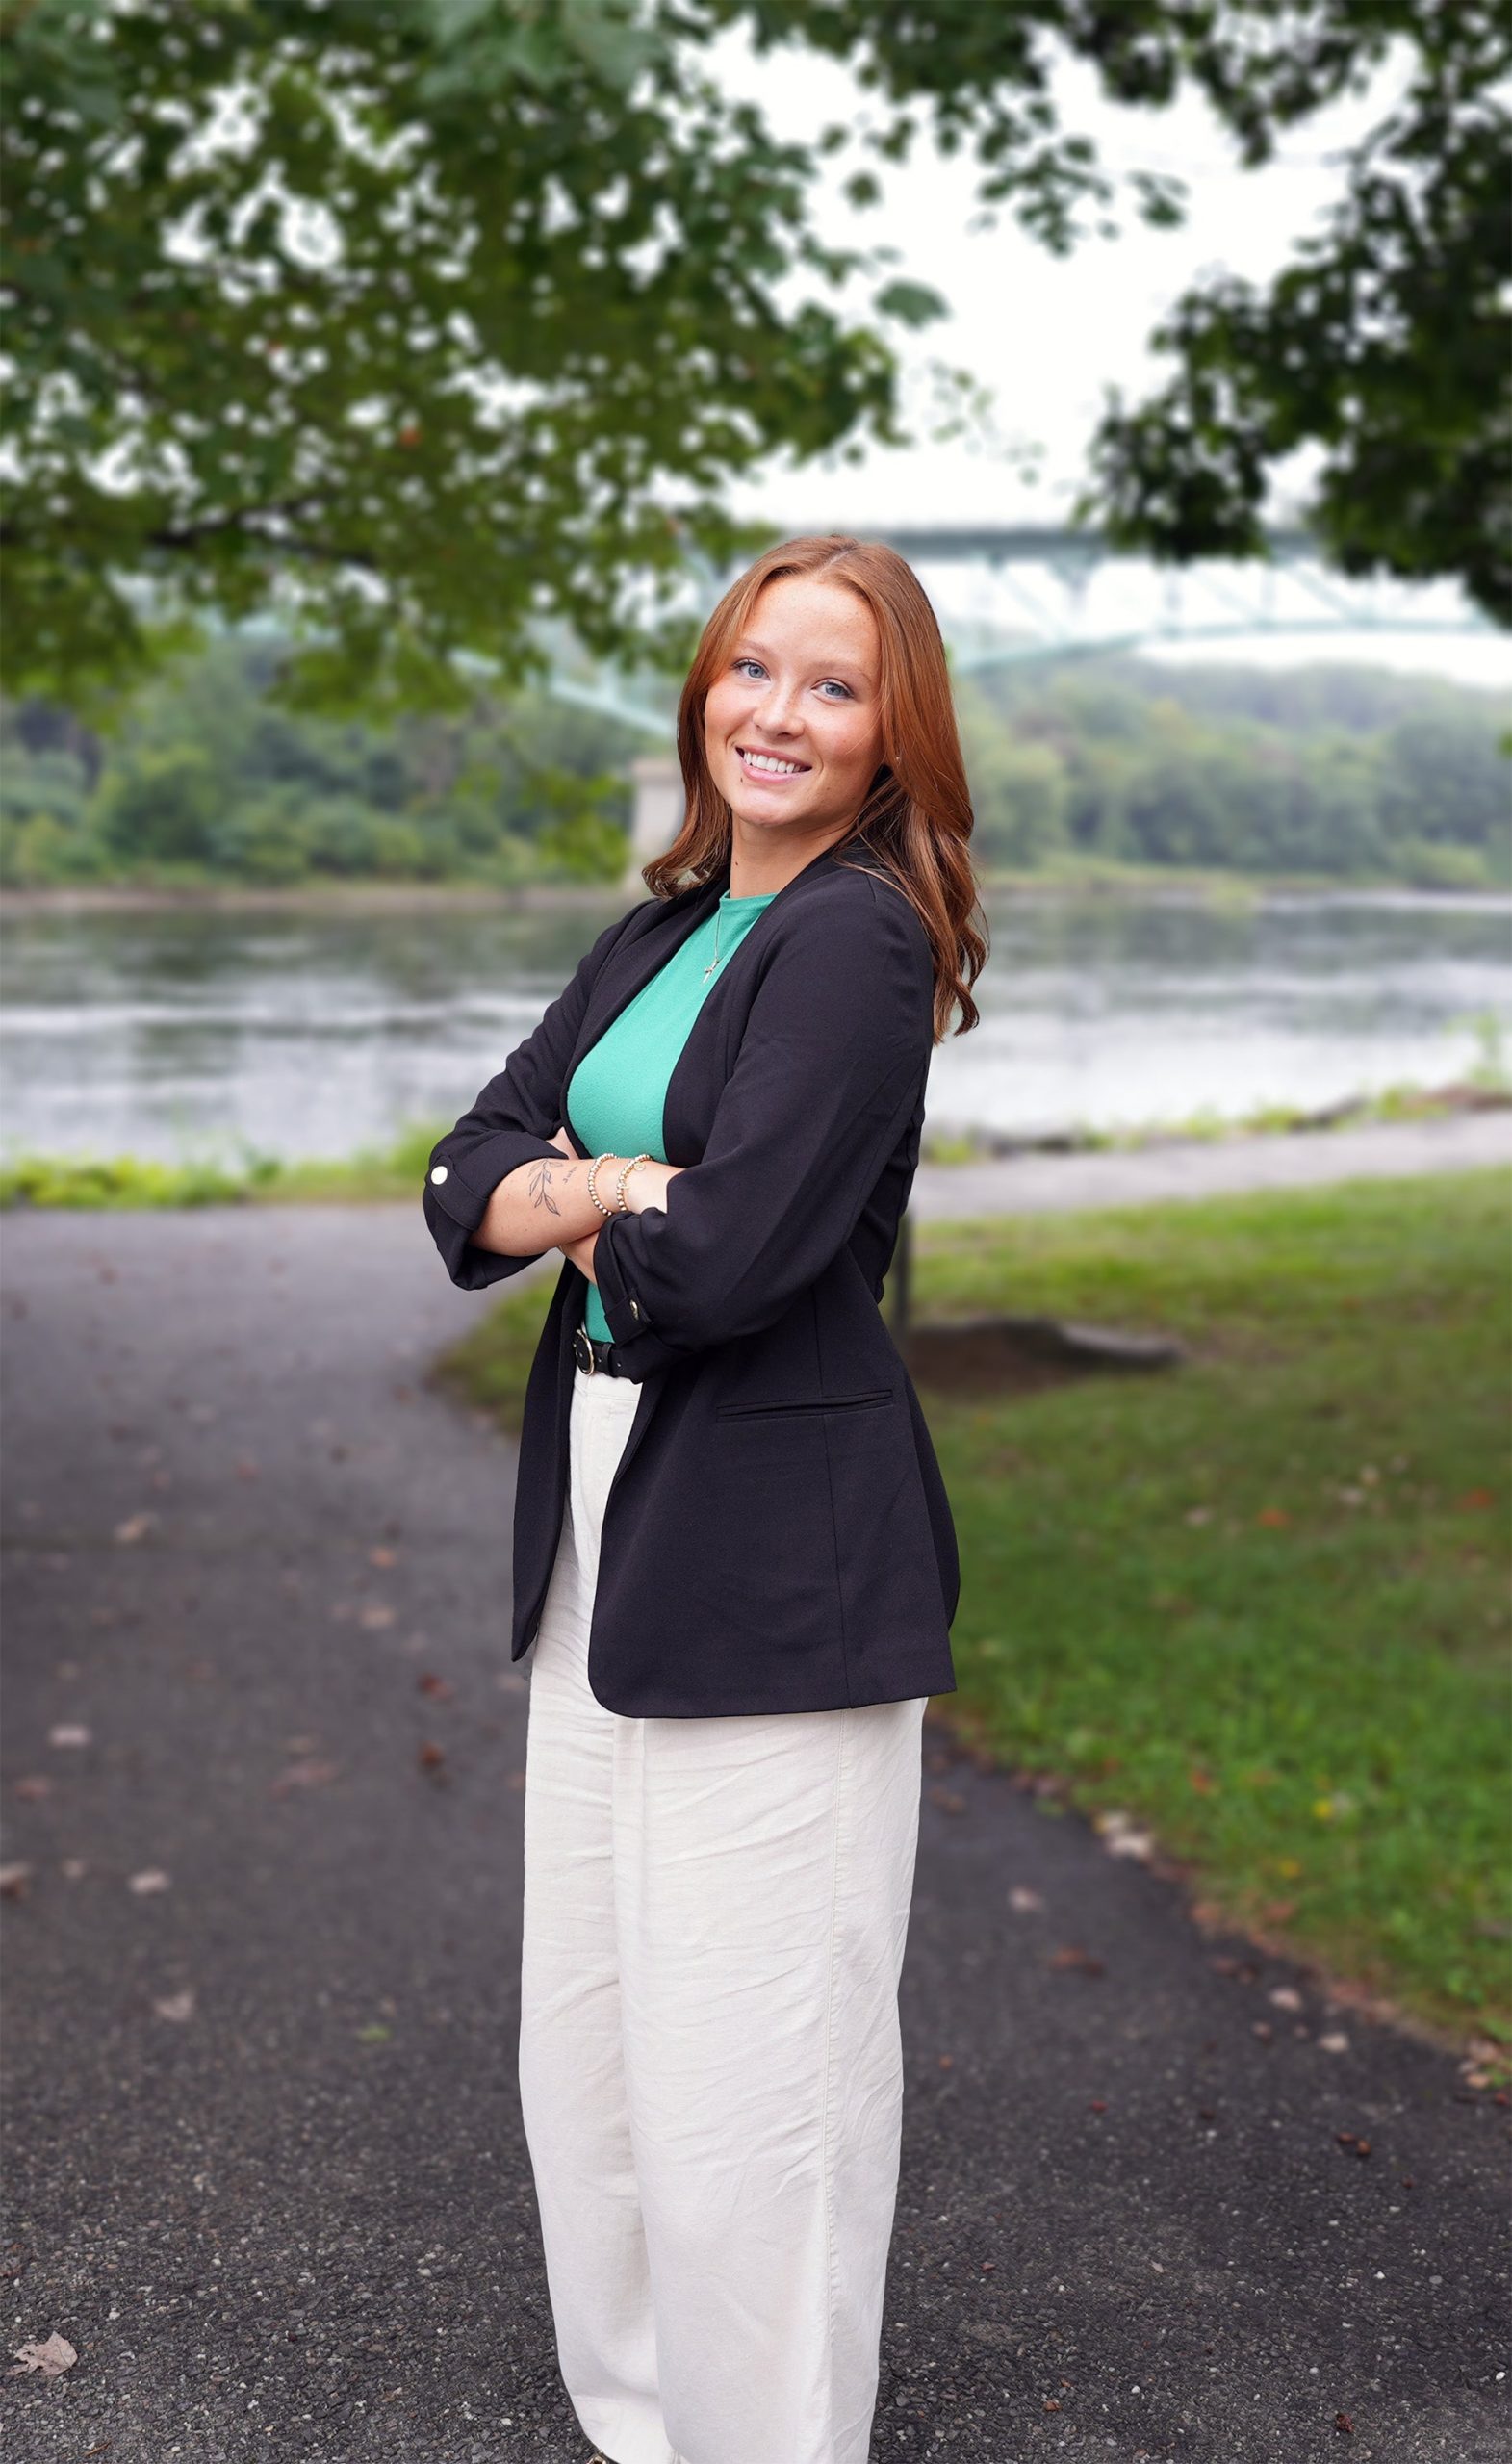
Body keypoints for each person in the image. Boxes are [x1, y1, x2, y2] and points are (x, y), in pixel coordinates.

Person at [423, 534, 987, 2464]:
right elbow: (462, 1174)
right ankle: (646, 2424)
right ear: (704, 690)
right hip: (603, 1507)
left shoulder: (856, 939)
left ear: (894, 732)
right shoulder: (658, 935)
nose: (779, 713)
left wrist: (591, 1205)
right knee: (593, 2041)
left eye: (835, 685)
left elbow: (727, 1266)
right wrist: (618, 1189)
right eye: (754, 668)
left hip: (771, 1545)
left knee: (759, 2078)